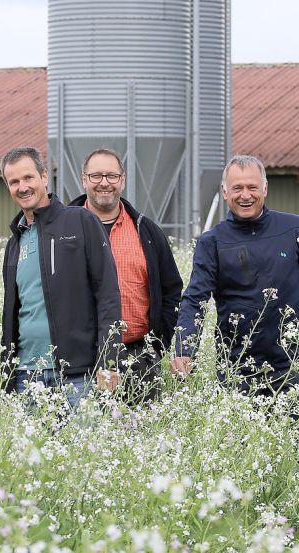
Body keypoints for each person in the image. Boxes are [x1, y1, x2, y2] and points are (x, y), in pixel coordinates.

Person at [172, 155, 299, 414]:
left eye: (252, 187)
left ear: (264, 188)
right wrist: (185, 349)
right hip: (237, 369)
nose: (245, 195)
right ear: (224, 192)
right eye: (237, 188)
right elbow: (195, 299)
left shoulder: (294, 228)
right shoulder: (212, 241)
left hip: (291, 367)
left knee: (293, 449)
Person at [0, 146, 122, 408]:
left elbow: (108, 295)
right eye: (14, 182)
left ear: (44, 176)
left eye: (28, 178)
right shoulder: (15, 243)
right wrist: (7, 374)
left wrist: (108, 360)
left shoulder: (81, 221)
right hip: (26, 376)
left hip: (79, 377)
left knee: (82, 450)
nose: (23, 187)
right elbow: (13, 313)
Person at [69, 148, 183, 403]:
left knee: (141, 437)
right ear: (84, 179)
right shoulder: (63, 230)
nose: (104, 183)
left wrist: (156, 346)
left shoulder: (147, 232)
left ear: (123, 179)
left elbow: (172, 291)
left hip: (139, 358)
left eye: (111, 175)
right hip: (79, 362)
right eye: (96, 176)